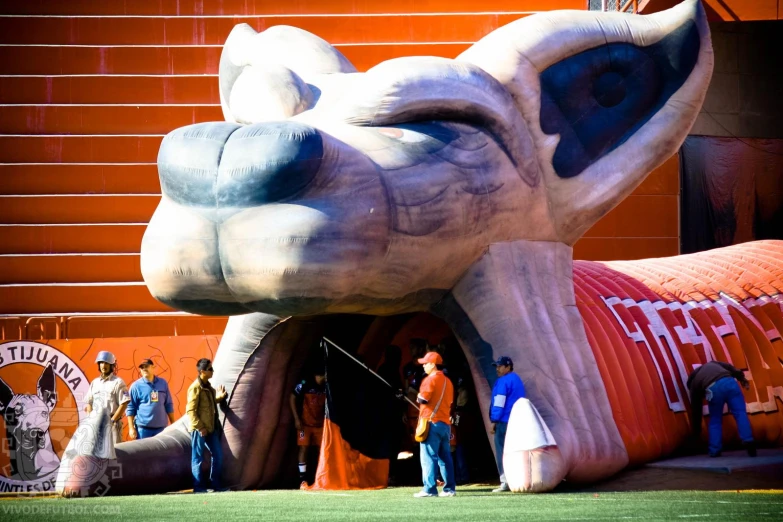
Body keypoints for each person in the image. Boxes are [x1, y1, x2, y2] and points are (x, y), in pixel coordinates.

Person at [687, 360, 756, 458]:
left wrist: (696, 432)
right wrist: (741, 378)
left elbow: (696, 411)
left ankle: (715, 450)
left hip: (713, 388)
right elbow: (731, 367)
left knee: (715, 420)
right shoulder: (712, 363)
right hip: (730, 382)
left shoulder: (693, 384)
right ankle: (748, 441)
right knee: (740, 413)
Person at [413, 351, 456, 498]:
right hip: (445, 423)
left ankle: (429, 489)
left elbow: (423, 399)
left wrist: (417, 396)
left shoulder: (429, 380)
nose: (423, 366)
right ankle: (449, 489)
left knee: (428, 457)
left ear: (433, 364)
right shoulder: (448, 381)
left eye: (425, 363)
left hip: (431, 423)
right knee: (445, 457)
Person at [186, 358, 228, 493]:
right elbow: (191, 411)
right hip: (200, 430)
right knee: (197, 458)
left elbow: (209, 404)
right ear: (202, 371)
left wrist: (220, 398)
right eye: (210, 369)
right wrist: (200, 427)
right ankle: (198, 488)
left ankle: (215, 485)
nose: (213, 371)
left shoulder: (208, 387)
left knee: (218, 455)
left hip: (210, 429)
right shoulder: (195, 388)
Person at [489, 355, 526, 493]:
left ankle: (505, 482)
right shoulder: (517, 379)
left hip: (504, 422)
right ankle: (518, 480)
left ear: (508, 367)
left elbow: (499, 402)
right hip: (517, 421)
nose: (497, 369)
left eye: (500, 366)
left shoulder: (502, 381)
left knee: (501, 452)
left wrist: (494, 421)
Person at [289, 369, 327, 485]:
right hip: (304, 424)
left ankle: (321, 477)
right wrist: (296, 419)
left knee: (321, 450)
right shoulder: (305, 383)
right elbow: (292, 397)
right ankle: (302, 479)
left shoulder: (326, 386)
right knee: (303, 448)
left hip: (320, 425)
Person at [85, 351, 130, 445]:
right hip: (96, 425)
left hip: (112, 426)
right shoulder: (95, 383)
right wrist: (90, 418)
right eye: (101, 362)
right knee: (97, 455)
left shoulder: (118, 382)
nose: (103, 365)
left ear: (111, 365)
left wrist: (112, 420)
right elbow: (89, 402)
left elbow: (124, 403)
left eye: (106, 363)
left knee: (114, 454)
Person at [126, 358, 176, 439]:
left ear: (153, 367)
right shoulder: (136, 386)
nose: (144, 369)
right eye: (142, 367)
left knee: (161, 452)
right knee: (143, 452)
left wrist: (173, 424)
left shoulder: (163, 383)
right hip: (143, 430)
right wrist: (131, 428)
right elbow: (130, 408)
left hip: (161, 429)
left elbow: (168, 404)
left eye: (147, 366)